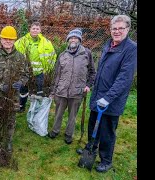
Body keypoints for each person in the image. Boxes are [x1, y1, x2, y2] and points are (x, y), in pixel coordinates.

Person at [77, 15, 137, 173]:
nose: (117, 31)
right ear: (110, 30)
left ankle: (106, 160)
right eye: (114, 28)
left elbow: (124, 78)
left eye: (120, 28)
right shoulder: (108, 44)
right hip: (98, 94)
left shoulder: (131, 49)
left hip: (112, 99)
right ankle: (91, 147)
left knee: (107, 130)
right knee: (93, 124)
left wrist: (108, 98)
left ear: (127, 29)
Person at [0, 26, 30, 166]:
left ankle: (8, 143)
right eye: (5, 39)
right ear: (1, 40)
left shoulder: (20, 57)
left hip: (12, 98)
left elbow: (26, 74)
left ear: (14, 40)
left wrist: (21, 83)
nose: (8, 41)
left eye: (10, 39)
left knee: (10, 121)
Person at [48, 28, 96, 144]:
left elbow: (92, 72)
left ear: (79, 40)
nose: (73, 40)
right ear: (68, 40)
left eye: (76, 38)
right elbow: (57, 74)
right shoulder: (63, 55)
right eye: (71, 38)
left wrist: (88, 85)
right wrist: (53, 91)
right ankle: (55, 131)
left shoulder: (86, 53)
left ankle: (69, 135)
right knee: (58, 113)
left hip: (77, 91)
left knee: (72, 116)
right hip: (61, 90)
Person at [14, 21, 57, 112]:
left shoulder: (46, 42)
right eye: (33, 28)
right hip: (25, 72)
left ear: (40, 30)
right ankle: (21, 107)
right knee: (23, 89)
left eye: (37, 29)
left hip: (39, 73)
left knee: (39, 92)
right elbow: (14, 52)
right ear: (30, 29)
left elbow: (52, 55)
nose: (35, 30)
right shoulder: (22, 41)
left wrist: (48, 69)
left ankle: (38, 109)